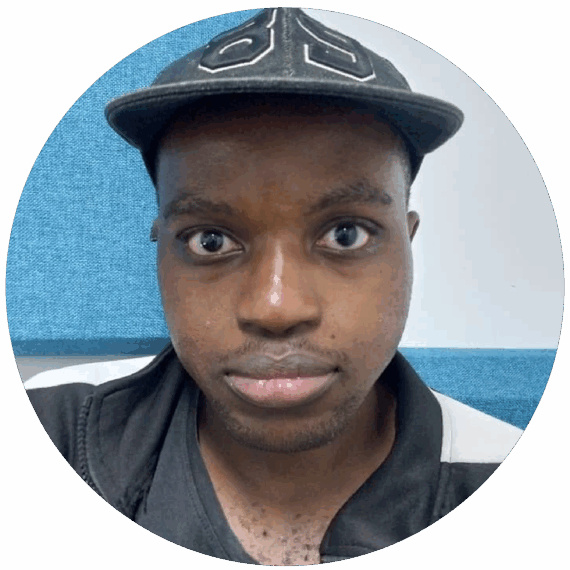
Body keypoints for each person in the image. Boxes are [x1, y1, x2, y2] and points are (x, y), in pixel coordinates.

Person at [25, 8, 522, 566]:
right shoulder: (49, 428)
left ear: (407, 245)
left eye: (346, 234)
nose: (276, 307)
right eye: (210, 240)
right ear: (160, 249)